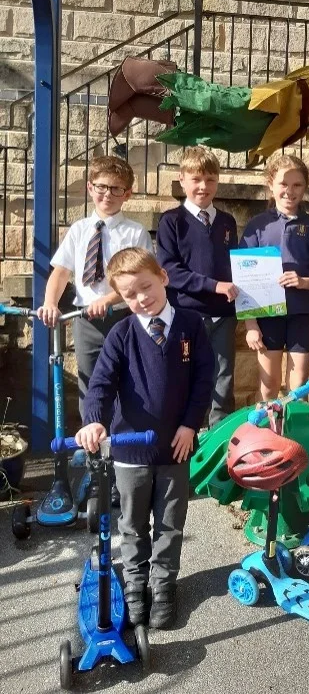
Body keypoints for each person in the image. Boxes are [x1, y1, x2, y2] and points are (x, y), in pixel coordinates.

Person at [75, 247, 213, 629]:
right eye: (130, 295)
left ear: (163, 278)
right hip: (130, 449)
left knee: (170, 522)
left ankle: (164, 583)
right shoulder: (121, 334)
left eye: (146, 287)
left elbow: (204, 380)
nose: (141, 299)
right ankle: (136, 586)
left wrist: (190, 425)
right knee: (133, 524)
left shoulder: (191, 325)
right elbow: (101, 384)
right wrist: (93, 421)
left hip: (176, 445)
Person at [37, 155, 153, 421]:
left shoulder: (135, 233)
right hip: (85, 320)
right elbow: (61, 272)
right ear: (90, 188)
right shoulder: (79, 230)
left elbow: (138, 278)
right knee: (89, 382)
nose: (107, 194)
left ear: (128, 194)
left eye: (116, 189)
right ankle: (92, 447)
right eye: (101, 187)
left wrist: (108, 300)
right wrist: (50, 302)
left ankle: (120, 447)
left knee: (127, 380)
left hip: (124, 317)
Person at [156, 148, 238, 427]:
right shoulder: (171, 221)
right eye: (196, 179)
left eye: (211, 179)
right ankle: (188, 433)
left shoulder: (227, 222)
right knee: (187, 373)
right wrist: (214, 286)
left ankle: (220, 435)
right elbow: (170, 272)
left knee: (224, 376)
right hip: (187, 314)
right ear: (182, 179)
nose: (204, 186)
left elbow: (235, 266)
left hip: (223, 315)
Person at [240, 154, 309, 399]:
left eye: (297, 184)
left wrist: (302, 282)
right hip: (267, 316)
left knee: (298, 388)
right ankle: (265, 436)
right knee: (269, 385)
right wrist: (250, 325)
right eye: (283, 184)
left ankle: (292, 436)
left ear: (305, 187)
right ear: (271, 184)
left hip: (301, 314)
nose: (290, 191)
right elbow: (244, 280)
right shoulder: (257, 226)